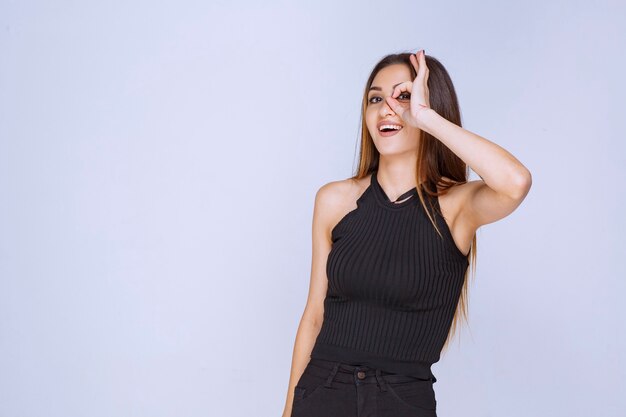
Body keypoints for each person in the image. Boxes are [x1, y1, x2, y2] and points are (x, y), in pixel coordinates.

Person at [281, 49, 532, 417]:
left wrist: (428, 118)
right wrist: (288, 411)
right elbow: (314, 316)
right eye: (376, 98)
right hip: (322, 390)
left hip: (401, 400)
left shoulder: (456, 207)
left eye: (403, 96)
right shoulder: (335, 200)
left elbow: (516, 182)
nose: (386, 108)